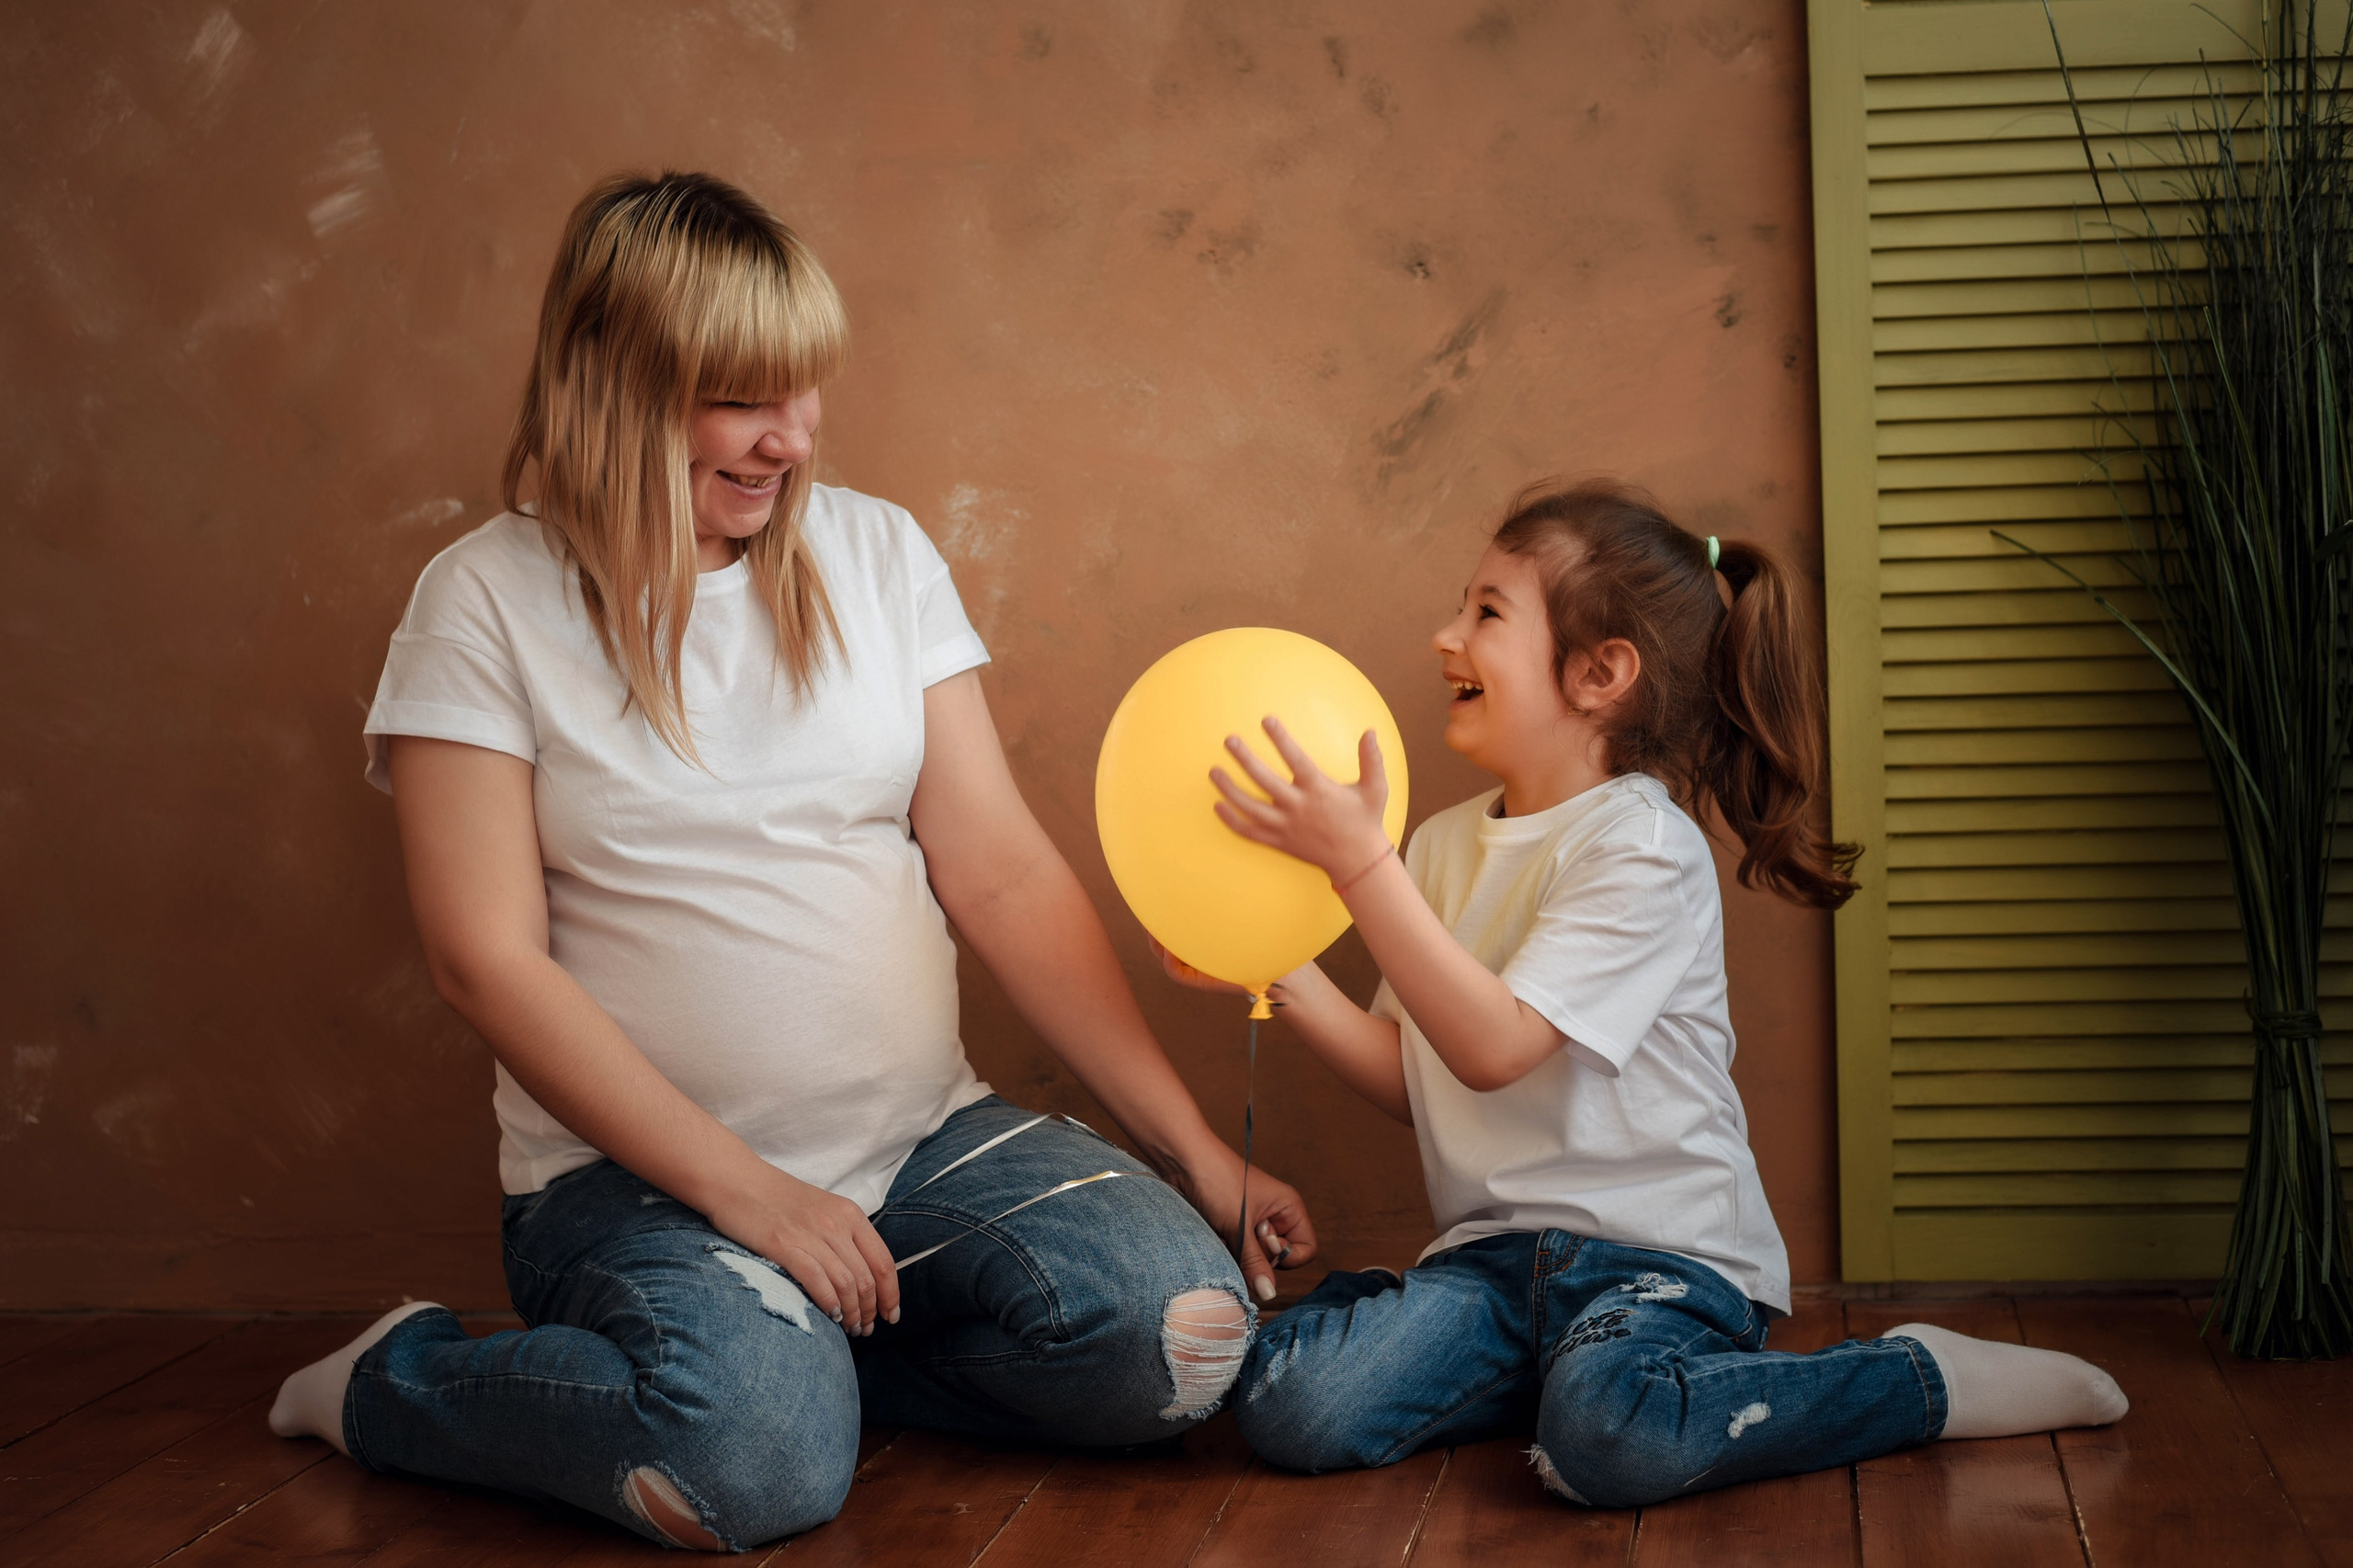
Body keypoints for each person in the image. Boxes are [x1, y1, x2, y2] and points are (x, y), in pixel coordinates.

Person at [266, 171, 1315, 1552]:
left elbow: (999, 875)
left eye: (806, 394)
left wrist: (1198, 1157)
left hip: (919, 1144)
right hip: (629, 1188)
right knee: (751, 1470)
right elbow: (485, 957)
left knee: (1181, 1343)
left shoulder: (879, 556)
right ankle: (400, 1383)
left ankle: (802, 1358)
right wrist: (752, 1194)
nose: (794, 441)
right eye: (746, 402)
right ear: (618, 387)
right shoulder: (483, 601)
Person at [1163, 480, 2126, 1506]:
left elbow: (1496, 1047)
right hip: (1489, 1266)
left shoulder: (1640, 844)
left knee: (1615, 1437)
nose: (1445, 635)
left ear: (1599, 672)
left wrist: (1359, 868)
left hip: (1658, 1262)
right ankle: (1547, 1371)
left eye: (1485, 611)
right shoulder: (1436, 846)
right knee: (1293, 1403)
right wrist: (1282, 971)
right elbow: (1422, 1075)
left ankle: (1916, 1376)